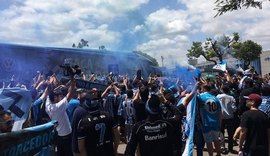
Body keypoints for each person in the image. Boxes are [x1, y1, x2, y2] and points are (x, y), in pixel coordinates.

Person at [125, 93, 191, 156]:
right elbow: (178, 114)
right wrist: (165, 101)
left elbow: (129, 151)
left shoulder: (139, 127)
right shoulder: (168, 123)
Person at [76, 91, 120, 156]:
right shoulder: (108, 116)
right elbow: (117, 136)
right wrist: (115, 150)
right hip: (108, 152)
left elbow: (81, 148)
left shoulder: (83, 122)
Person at [45, 74, 75, 156]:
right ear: (55, 98)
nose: (61, 97)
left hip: (58, 135)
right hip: (67, 136)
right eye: (59, 96)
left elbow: (48, 94)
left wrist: (51, 84)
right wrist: (72, 78)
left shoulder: (48, 106)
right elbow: (71, 92)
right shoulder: (58, 107)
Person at [198, 85, 222, 156]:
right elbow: (220, 113)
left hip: (206, 123)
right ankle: (218, 154)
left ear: (203, 88)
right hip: (216, 122)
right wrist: (220, 124)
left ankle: (211, 155)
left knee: (208, 142)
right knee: (216, 140)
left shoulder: (200, 97)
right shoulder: (215, 98)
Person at [216, 85, 237, 153]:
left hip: (221, 117)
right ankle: (230, 148)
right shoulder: (231, 97)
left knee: (221, 133)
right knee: (230, 134)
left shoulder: (218, 97)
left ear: (222, 89)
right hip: (230, 117)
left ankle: (222, 147)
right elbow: (234, 108)